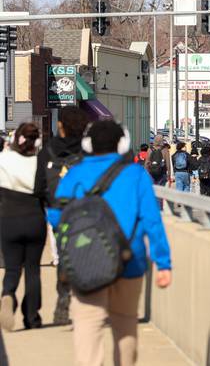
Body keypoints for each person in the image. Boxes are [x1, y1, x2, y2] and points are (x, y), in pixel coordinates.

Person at [47, 120, 172, 366]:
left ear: (88, 144)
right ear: (122, 144)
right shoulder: (136, 175)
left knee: (87, 324)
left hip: (85, 259)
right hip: (130, 260)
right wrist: (163, 263)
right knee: (125, 323)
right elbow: (152, 221)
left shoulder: (74, 174)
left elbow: (55, 214)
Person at [34, 105, 89, 326]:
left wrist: (45, 207)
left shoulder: (47, 150)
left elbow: (38, 186)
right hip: (85, 212)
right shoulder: (88, 152)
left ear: (60, 125)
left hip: (58, 212)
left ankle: (63, 296)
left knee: (65, 254)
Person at [0, 123, 47, 331]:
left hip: (8, 218)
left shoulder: (3, 160)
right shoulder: (39, 163)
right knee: (33, 269)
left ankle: (8, 294)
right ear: (36, 142)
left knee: (12, 268)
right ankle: (32, 317)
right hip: (34, 218)